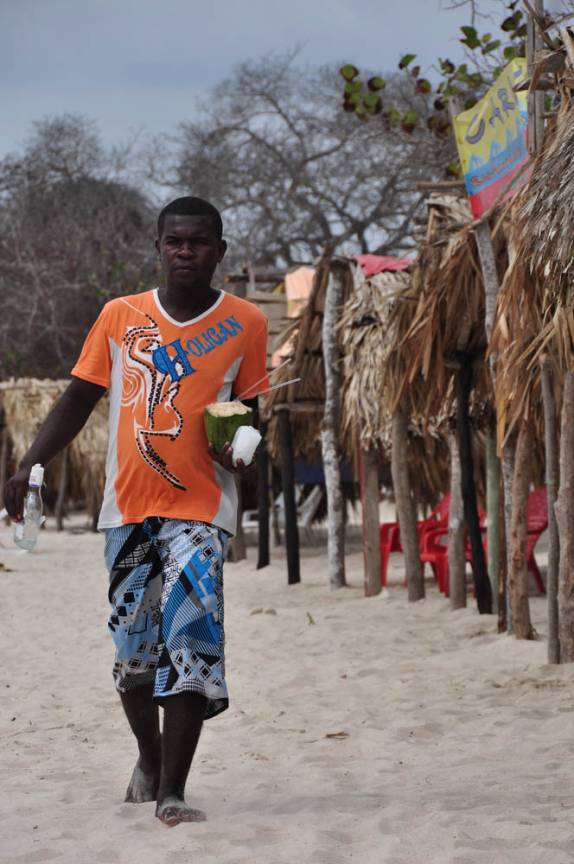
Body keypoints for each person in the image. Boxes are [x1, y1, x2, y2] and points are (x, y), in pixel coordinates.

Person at [4, 196, 269, 827]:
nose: (185, 252)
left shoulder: (247, 322)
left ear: (219, 251)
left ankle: (173, 790)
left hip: (202, 510)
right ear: (158, 247)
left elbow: (251, 416)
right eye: (174, 241)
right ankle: (148, 760)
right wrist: (28, 465)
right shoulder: (120, 317)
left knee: (192, 646)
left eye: (198, 242)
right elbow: (78, 398)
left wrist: (241, 450)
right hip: (128, 510)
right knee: (133, 658)